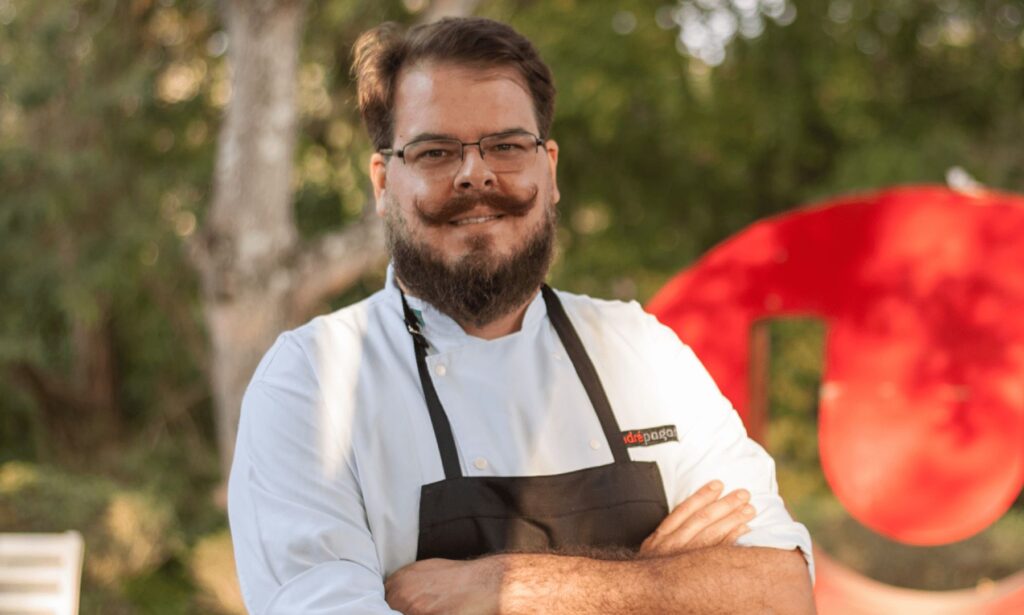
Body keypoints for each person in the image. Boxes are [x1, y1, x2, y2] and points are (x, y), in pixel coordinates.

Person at [228, 16, 815, 615]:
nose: (475, 173)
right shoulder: (311, 382)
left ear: (550, 169)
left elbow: (782, 592)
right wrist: (667, 580)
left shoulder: (643, 351)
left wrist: (506, 586)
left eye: (506, 146)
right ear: (383, 184)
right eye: (435, 152)